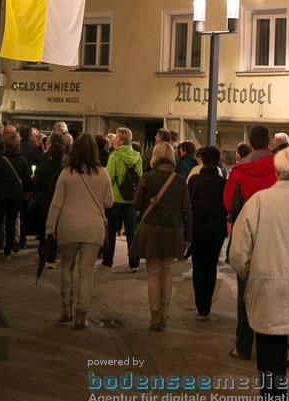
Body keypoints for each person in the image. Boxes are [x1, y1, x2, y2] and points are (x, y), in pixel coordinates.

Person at [231, 147, 289, 401]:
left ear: (277, 169)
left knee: (270, 363)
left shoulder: (258, 201)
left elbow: (238, 253)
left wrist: (253, 273)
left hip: (267, 290)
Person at [46, 133, 113, 328]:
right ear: (95, 151)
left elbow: (56, 203)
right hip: (93, 229)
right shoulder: (102, 173)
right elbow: (108, 202)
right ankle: (81, 315)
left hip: (68, 226)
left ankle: (66, 309)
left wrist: (50, 227)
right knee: (86, 272)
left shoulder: (67, 173)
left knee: (66, 266)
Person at [223, 124, 277, 360]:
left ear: (250, 143)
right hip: (274, 234)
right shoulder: (280, 167)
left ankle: (243, 347)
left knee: (244, 293)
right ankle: (275, 348)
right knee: (275, 291)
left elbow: (228, 203)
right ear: (270, 143)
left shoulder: (239, 170)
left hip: (246, 233)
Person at [132, 141, 192, 331]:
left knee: (153, 273)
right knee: (167, 271)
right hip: (173, 229)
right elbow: (186, 210)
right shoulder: (180, 180)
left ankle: (155, 317)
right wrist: (188, 234)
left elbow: (136, 204)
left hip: (152, 229)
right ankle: (165, 313)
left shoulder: (147, 177)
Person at [187, 145, 227, 318]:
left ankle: (200, 304)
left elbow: (188, 205)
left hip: (198, 228)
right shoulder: (222, 183)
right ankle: (206, 306)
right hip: (217, 229)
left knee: (198, 266)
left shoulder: (194, 181)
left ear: (201, 159)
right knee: (211, 266)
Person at [103, 126, 142, 269]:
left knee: (112, 231)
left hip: (116, 199)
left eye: (117, 137)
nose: (115, 139)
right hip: (131, 199)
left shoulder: (114, 156)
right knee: (131, 232)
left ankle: (108, 261)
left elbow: (109, 178)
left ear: (122, 140)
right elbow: (140, 178)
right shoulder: (138, 157)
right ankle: (134, 263)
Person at [0, 131, 32, 260]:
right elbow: (27, 179)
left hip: (1, 194)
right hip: (17, 196)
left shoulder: (0, 159)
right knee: (11, 222)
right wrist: (27, 191)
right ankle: (8, 251)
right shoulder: (23, 160)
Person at [30, 136, 65, 259]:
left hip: (45, 201)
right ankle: (52, 256)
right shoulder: (64, 170)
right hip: (60, 202)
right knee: (56, 229)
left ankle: (42, 253)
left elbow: (37, 185)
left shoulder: (44, 167)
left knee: (44, 228)